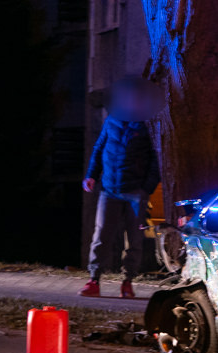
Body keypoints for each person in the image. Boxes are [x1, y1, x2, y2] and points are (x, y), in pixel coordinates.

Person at [80, 77, 160, 299]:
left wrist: (147, 188)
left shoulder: (150, 124)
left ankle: (128, 281)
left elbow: (157, 159)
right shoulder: (113, 119)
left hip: (136, 192)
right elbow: (100, 147)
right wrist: (91, 175)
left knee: (134, 239)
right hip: (110, 189)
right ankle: (94, 279)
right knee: (102, 235)